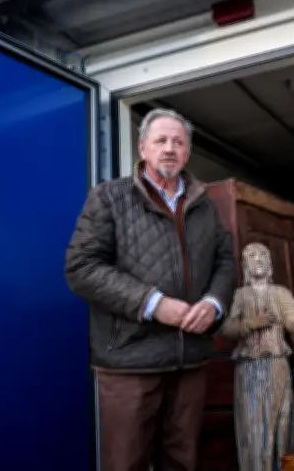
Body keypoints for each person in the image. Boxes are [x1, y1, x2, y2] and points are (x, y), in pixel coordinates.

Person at [65, 108, 235, 471]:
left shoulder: (204, 206)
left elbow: (225, 261)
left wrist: (214, 302)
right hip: (130, 361)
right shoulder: (108, 197)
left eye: (178, 142)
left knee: (182, 461)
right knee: (127, 462)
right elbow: (81, 268)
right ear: (142, 148)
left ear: (187, 153)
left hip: (189, 358)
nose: (170, 148)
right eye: (160, 140)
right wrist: (153, 304)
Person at [219, 242, 294, 471]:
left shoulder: (281, 293)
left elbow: (293, 320)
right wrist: (252, 323)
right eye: (252, 256)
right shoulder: (241, 295)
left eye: (262, 255)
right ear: (245, 265)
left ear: (269, 263)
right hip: (249, 368)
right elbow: (226, 329)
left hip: (276, 365)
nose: (258, 259)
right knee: (253, 425)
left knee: (280, 421)